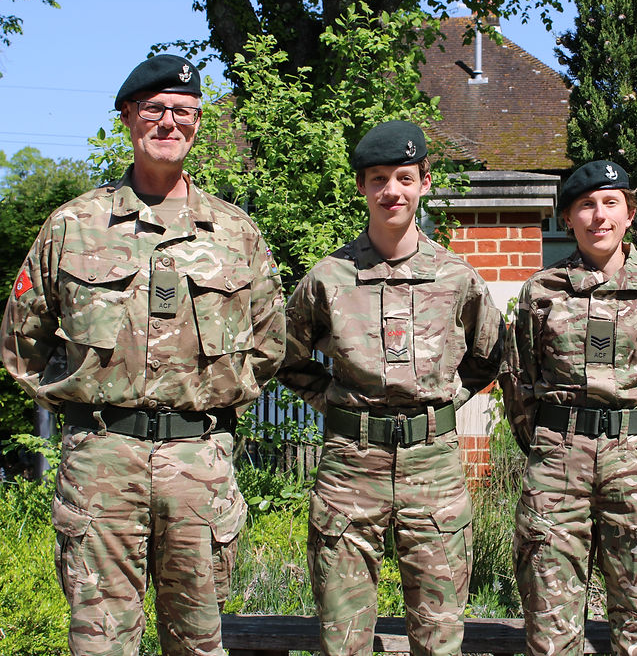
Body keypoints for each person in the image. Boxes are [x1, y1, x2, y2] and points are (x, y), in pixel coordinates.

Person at [0, 54, 286, 655]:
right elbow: (21, 343)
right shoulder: (72, 227)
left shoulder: (235, 234)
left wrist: (209, 414)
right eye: (154, 109)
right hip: (101, 462)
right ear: (128, 116)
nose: (168, 122)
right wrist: (82, 403)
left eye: (183, 111)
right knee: (100, 642)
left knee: (199, 640)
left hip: (198, 462)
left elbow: (268, 344)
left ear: (199, 121)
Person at [277, 120, 505, 656]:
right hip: (350, 465)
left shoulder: (457, 277)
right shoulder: (329, 277)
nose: (391, 191)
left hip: (434, 466)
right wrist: (331, 402)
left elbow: (490, 355)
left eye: (404, 177)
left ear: (425, 181)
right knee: (343, 633)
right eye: (378, 178)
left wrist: (443, 404)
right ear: (361, 187)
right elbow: (285, 357)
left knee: (440, 630)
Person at [498, 160, 637, 656]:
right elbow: (518, 378)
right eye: (585, 205)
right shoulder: (540, 292)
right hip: (556, 464)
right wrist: (551, 440)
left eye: (611, 203)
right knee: (549, 630)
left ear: (629, 213)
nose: (599, 216)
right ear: (568, 218)